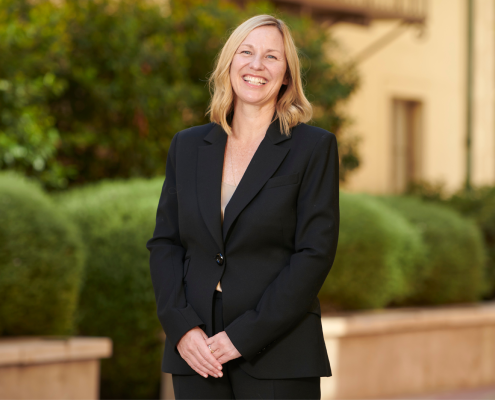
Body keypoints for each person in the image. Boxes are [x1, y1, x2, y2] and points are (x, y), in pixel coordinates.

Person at [146, 14, 340, 400]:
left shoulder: (313, 148)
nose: (256, 65)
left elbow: (314, 254)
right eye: (246, 52)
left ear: (286, 75)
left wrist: (242, 336)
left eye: (272, 57)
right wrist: (181, 327)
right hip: (197, 350)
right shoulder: (187, 146)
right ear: (229, 63)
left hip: (279, 349)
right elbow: (166, 243)